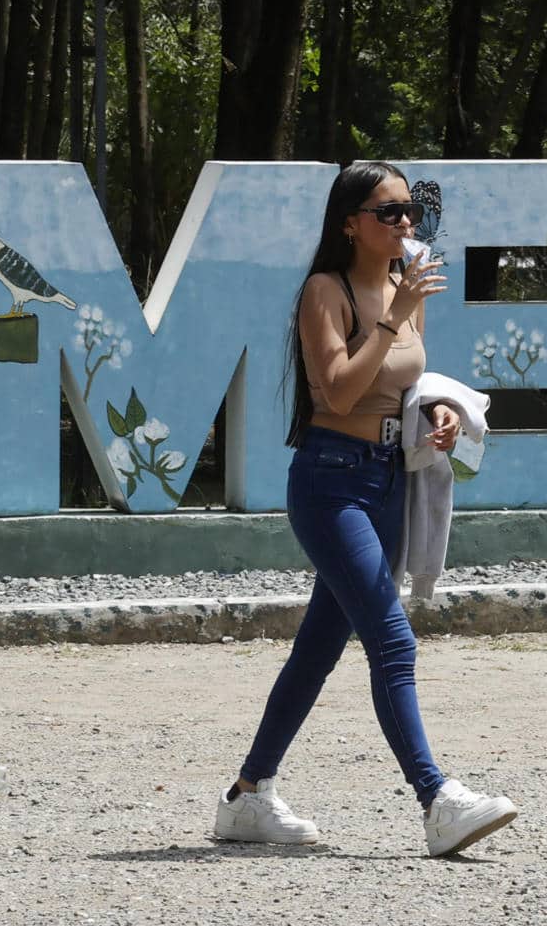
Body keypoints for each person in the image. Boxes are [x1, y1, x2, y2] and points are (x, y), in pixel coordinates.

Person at [214, 160, 520, 857]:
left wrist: (439, 411)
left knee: (319, 647)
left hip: (386, 480)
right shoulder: (326, 291)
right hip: (330, 483)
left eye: (410, 210)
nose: (405, 223)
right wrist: (395, 314)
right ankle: (437, 798)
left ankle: (248, 797)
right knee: (393, 638)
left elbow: (403, 388)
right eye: (389, 212)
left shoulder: (401, 288)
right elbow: (342, 393)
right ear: (350, 222)